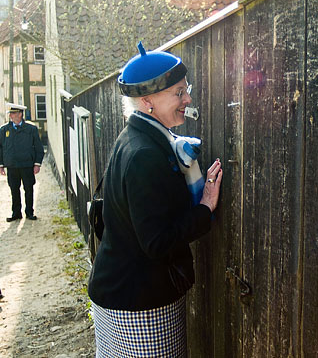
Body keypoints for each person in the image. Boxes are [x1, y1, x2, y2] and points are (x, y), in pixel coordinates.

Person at [87, 42, 223, 357]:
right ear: (148, 100)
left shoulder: (137, 138)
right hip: (138, 304)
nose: (187, 99)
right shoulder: (145, 154)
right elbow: (157, 242)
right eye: (178, 92)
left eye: (185, 90)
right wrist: (205, 207)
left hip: (120, 290)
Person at [0, 103, 45, 222]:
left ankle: (29, 212)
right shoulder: (4, 130)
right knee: (14, 189)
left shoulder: (31, 129)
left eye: (13, 113)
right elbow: (0, 148)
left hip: (27, 165)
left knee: (29, 189)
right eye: (10, 114)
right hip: (12, 166)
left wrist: (37, 164)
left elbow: (38, 148)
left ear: (20, 114)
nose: (11, 116)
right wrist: (1, 165)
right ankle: (16, 213)